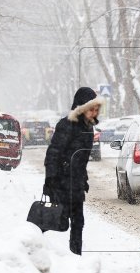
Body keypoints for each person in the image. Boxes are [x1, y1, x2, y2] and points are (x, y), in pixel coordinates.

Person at [44, 87, 104, 255]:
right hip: (61, 183)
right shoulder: (66, 124)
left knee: (78, 222)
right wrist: (50, 181)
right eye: (92, 107)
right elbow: (53, 153)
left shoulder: (88, 128)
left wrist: (83, 179)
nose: (95, 111)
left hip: (76, 184)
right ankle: (31, 244)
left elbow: (81, 158)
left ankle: (76, 258)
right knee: (57, 221)